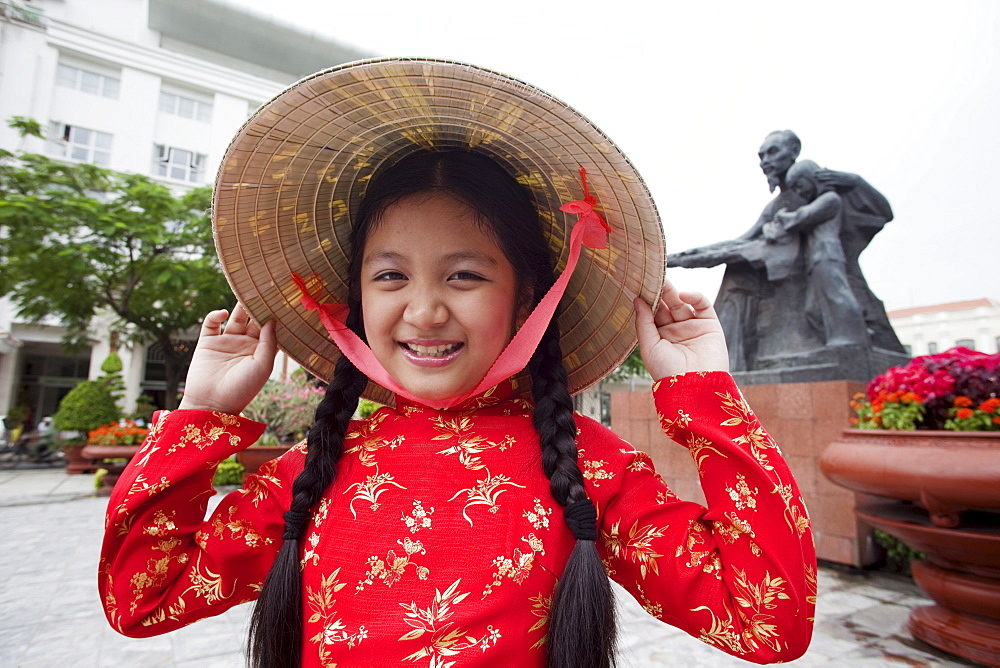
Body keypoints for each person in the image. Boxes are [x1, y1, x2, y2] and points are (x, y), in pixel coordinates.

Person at [97, 59, 816, 668]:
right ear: (354, 300)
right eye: (390, 277)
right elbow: (140, 599)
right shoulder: (309, 472)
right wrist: (204, 413)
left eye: (464, 276)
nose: (424, 310)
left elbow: (767, 621)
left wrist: (702, 391)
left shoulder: (591, 470)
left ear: (527, 296)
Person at [769, 160, 869, 346]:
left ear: (810, 179)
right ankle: (842, 335)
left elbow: (803, 216)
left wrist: (783, 216)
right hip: (816, 258)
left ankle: (852, 338)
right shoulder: (823, 200)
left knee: (836, 295)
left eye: (800, 186)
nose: (800, 192)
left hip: (828, 254)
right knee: (812, 309)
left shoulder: (830, 199)